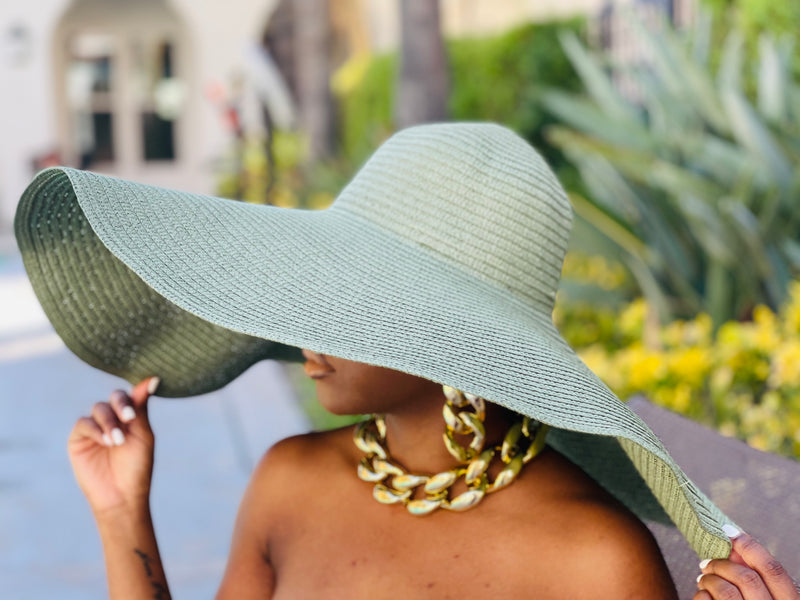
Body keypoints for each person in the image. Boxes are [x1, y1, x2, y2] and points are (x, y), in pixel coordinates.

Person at [16, 123, 798, 599]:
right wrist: (123, 515)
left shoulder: (595, 559)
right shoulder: (286, 485)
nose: (305, 324)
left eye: (350, 296)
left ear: (448, 333)